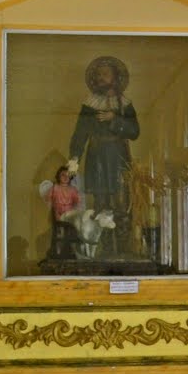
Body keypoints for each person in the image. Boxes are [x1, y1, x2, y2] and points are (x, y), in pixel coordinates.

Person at [68, 56, 139, 252]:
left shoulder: (124, 104)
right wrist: (74, 157)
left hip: (118, 157)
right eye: (98, 74)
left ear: (115, 77)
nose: (101, 77)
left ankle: (123, 250)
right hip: (97, 158)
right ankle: (107, 251)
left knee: (122, 203)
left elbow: (134, 131)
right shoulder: (90, 104)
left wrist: (114, 119)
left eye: (105, 73)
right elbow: (80, 132)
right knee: (101, 206)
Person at [41, 164, 81, 260]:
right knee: (59, 233)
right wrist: (53, 209)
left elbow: (78, 202)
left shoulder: (72, 189)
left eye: (68, 176)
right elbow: (48, 200)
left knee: (72, 232)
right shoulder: (55, 188)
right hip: (58, 214)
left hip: (70, 215)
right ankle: (57, 252)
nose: (65, 177)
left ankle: (71, 250)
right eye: (63, 175)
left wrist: (76, 211)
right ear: (58, 176)